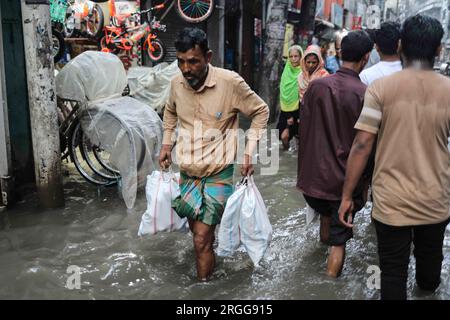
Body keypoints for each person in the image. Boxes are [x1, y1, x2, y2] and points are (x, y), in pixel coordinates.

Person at [338, 15, 450, 300]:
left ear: (401, 45)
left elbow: (362, 145)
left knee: (391, 273)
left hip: (391, 202)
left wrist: (347, 195)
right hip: (436, 200)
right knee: (429, 274)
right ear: (438, 50)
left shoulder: (380, 89)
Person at [159, 27, 269, 282]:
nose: (186, 69)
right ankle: (211, 262)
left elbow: (261, 112)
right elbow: (170, 112)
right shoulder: (176, 83)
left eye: (193, 61)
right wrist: (166, 145)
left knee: (200, 240)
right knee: (199, 236)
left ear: (208, 57)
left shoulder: (230, 83)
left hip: (219, 174)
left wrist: (248, 152)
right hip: (187, 173)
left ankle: (202, 289)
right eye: (181, 62)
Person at [297, 31, 374, 278]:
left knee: (326, 220)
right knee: (338, 243)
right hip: (343, 184)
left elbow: (305, 131)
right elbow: (365, 145)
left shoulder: (316, 86)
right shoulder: (365, 93)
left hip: (314, 182)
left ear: (340, 53)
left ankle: (321, 255)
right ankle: (329, 286)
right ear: (366, 57)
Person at [277, 45, 303, 150]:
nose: (293, 59)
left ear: (301, 57)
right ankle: (286, 152)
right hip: (286, 109)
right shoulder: (286, 71)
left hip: (300, 110)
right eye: (291, 56)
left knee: (300, 138)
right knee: (283, 137)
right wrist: (288, 116)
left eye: (296, 56)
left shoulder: (304, 72)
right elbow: (283, 93)